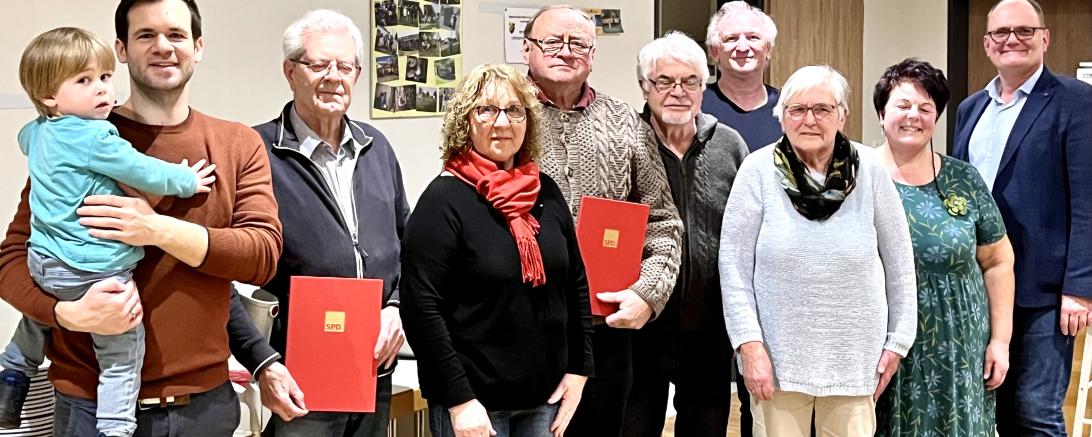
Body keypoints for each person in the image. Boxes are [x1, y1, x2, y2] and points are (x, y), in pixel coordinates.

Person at [0, 1, 285, 435]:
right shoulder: (78, 134)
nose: (163, 47)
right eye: (145, 35)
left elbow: (260, 257)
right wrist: (66, 313)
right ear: (122, 48)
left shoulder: (236, 143)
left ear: (198, 46)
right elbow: (13, 261)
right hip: (87, 408)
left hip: (204, 408)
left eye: (176, 34)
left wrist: (157, 229)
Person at [718, 65, 916, 436]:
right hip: (776, 363)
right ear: (781, 117)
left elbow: (900, 263)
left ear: (842, 115)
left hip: (856, 360)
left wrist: (899, 341)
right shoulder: (756, 170)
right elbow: (733, 269)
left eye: (822, 109)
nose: (809, 119)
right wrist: (749, 346)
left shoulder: (870, 168)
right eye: (797, 109)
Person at [400, 63, 594, 437]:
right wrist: (459, 400)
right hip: (477, 406)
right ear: (465, 121)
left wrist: (580, 369)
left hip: (546, 399)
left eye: (514, 110)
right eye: (486, 109)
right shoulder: (443, 201)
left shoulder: (546, 192)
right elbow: (421, 308)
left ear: (529, 121)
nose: (501, 122)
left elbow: (575, 283)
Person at [521, 5, 683, 436]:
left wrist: (648, 294)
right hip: (522, 332)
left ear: (593, 55)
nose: (566, 51)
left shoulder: (626, 122)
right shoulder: (501, 115)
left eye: (578, 43)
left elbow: (664, 222)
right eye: (553, 41)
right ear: (527, 49)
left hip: (604, 336)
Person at [250, 9, 408, 436]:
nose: (333, 77)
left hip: (374, 363)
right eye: (319, 65)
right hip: (301, 369)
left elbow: (407, 246)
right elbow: (225, 269)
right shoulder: (257, 151)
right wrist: (261, 359)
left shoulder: (378, 148)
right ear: (290, 71)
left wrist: (396, 308)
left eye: (345, 66)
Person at [951, 0, 1092, 434]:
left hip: (1043, 291)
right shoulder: (970, 108)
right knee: (996, 409)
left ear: (1044, 39)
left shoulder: (1076, 102)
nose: (1012, 39)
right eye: (1001, 32)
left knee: (1035, 412)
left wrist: (1080, 287)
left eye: (1025, 31)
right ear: (987, 45)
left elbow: (1088, 199)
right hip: (979, 284)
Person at [872, 58, 1015, 436]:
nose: (913, 116)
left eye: (925, 108)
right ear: (881, 113)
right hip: (882, 345)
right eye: (903, 105)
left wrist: (1000, 341)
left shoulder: (962, 178)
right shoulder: (860, 176)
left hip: (960, 346)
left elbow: (998, 261)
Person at [622, 32, 748, 437]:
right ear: (644, 86)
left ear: (703, 86)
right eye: (664, 81)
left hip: (709, 334)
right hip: (639, 331)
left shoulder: (730, 145)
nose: (678, 92)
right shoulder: (624, 143)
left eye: (690, 81)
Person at [703, 1, 782, 153]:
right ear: (714, 52)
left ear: (768, 49)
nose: (743, 48)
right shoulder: (697, 107)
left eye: (753, 37)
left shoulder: (789, 110)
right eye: (731, 39)